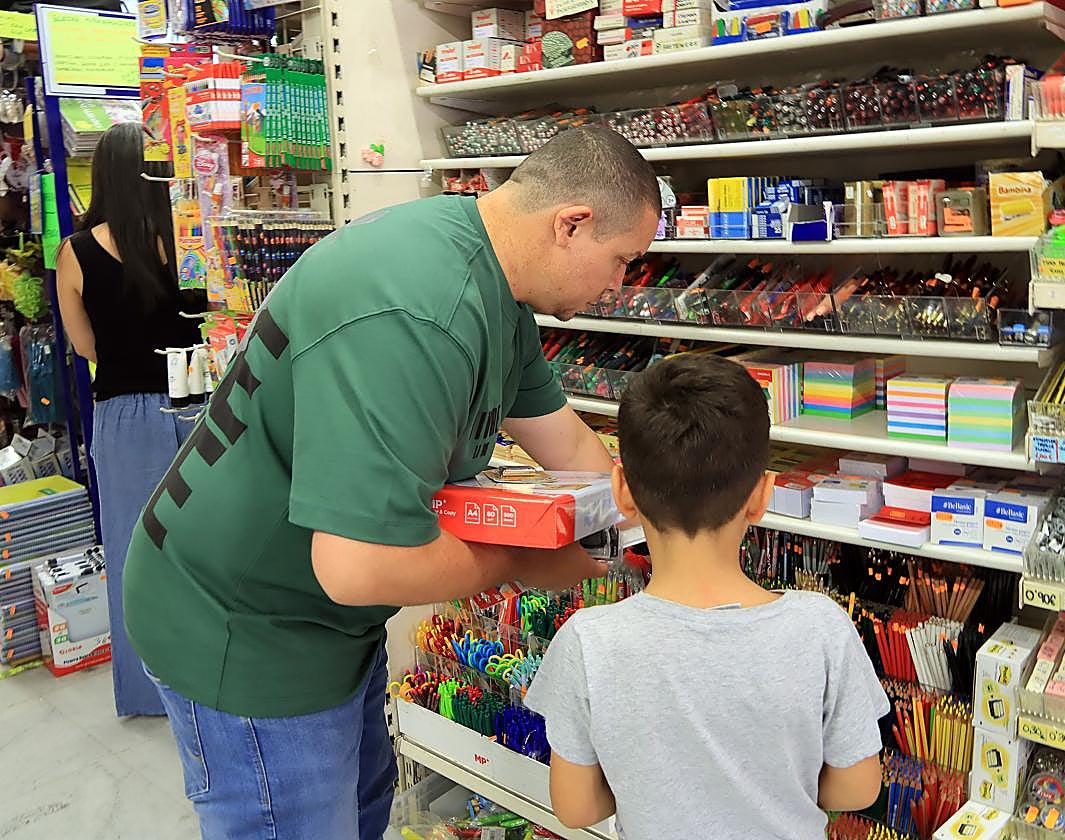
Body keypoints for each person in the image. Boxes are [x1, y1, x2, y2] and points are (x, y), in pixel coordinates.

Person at [122, 126, 661, 839]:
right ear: (571, 224)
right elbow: (356, 566)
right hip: (244, 629)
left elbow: (569, 446)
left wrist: (636, 547)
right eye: (623, 261)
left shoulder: (495, 284)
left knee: (363, 810)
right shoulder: (418, 308)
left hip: (325, 623)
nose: (619, 286)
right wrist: (522, 561)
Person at [524, 353, 889, 839]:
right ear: (761, 496)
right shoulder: (821, 628)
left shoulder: (589, 642)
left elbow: (575, 806)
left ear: (622, 492)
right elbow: (858, 787)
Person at [55, 121, 205, 718]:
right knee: (205, 547)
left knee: (132, 553)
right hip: (200, 405)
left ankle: (148, 692)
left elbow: (86, 346)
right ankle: (210, 676)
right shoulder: (185, 238)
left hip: (125, 415)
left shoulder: (77, 251)